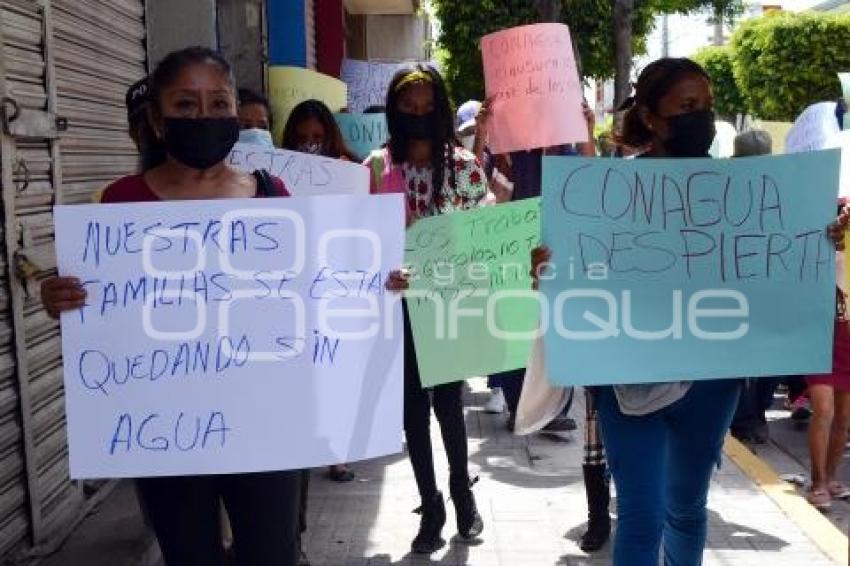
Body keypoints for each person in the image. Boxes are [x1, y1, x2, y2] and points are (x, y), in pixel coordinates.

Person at [40, 47, 301, 566]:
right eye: (185, 105)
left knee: (274, 555)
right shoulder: (119, 203)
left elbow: (311, 292)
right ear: (158, 121)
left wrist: (375, 284)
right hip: (166, 435)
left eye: (218, 103)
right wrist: (60, 298)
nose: (204, 117)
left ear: (236, 113)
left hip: (265, 425)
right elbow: (96, 306)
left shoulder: (275, 196)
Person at [365, 64, 486, 554]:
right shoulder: (374, 168)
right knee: (412, 410)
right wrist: (382, 274)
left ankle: (461, 490)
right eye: (407, 107)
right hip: (396, 311)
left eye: (426, 106)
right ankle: (430, 504)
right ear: (394, 111)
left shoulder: (462, 166)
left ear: (439, 106)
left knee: (449, 405)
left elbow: (479, 242)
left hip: (446, 304)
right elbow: (359, 244)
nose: (417, 115)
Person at [281, 99, 357, 487]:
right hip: (292, 290)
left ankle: (337, 454)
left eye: (318, 137)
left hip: (336, 288)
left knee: (334, 373)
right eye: (303, 138)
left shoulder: (350, 171)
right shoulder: (273, 179)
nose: (311, 145)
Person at [728, 129, 779, 445]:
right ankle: (748, 418)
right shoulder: (724, 188)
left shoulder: (784, 190)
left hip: (766, 287)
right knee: (745, 357)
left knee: (766, 357)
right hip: (736, 287)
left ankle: (754, 415)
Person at [806, 201, 850, 509]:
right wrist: (836, 232)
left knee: (844, 417)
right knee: (824, 410)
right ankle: (818, 481)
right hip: (822, 335)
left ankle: (831, 477)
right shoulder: (829, 237)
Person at [282, 99, 357, 162]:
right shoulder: (278, 168)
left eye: (317, 137)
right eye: (302, 138)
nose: (309, 146)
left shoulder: (353, 167)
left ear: (331, 137)